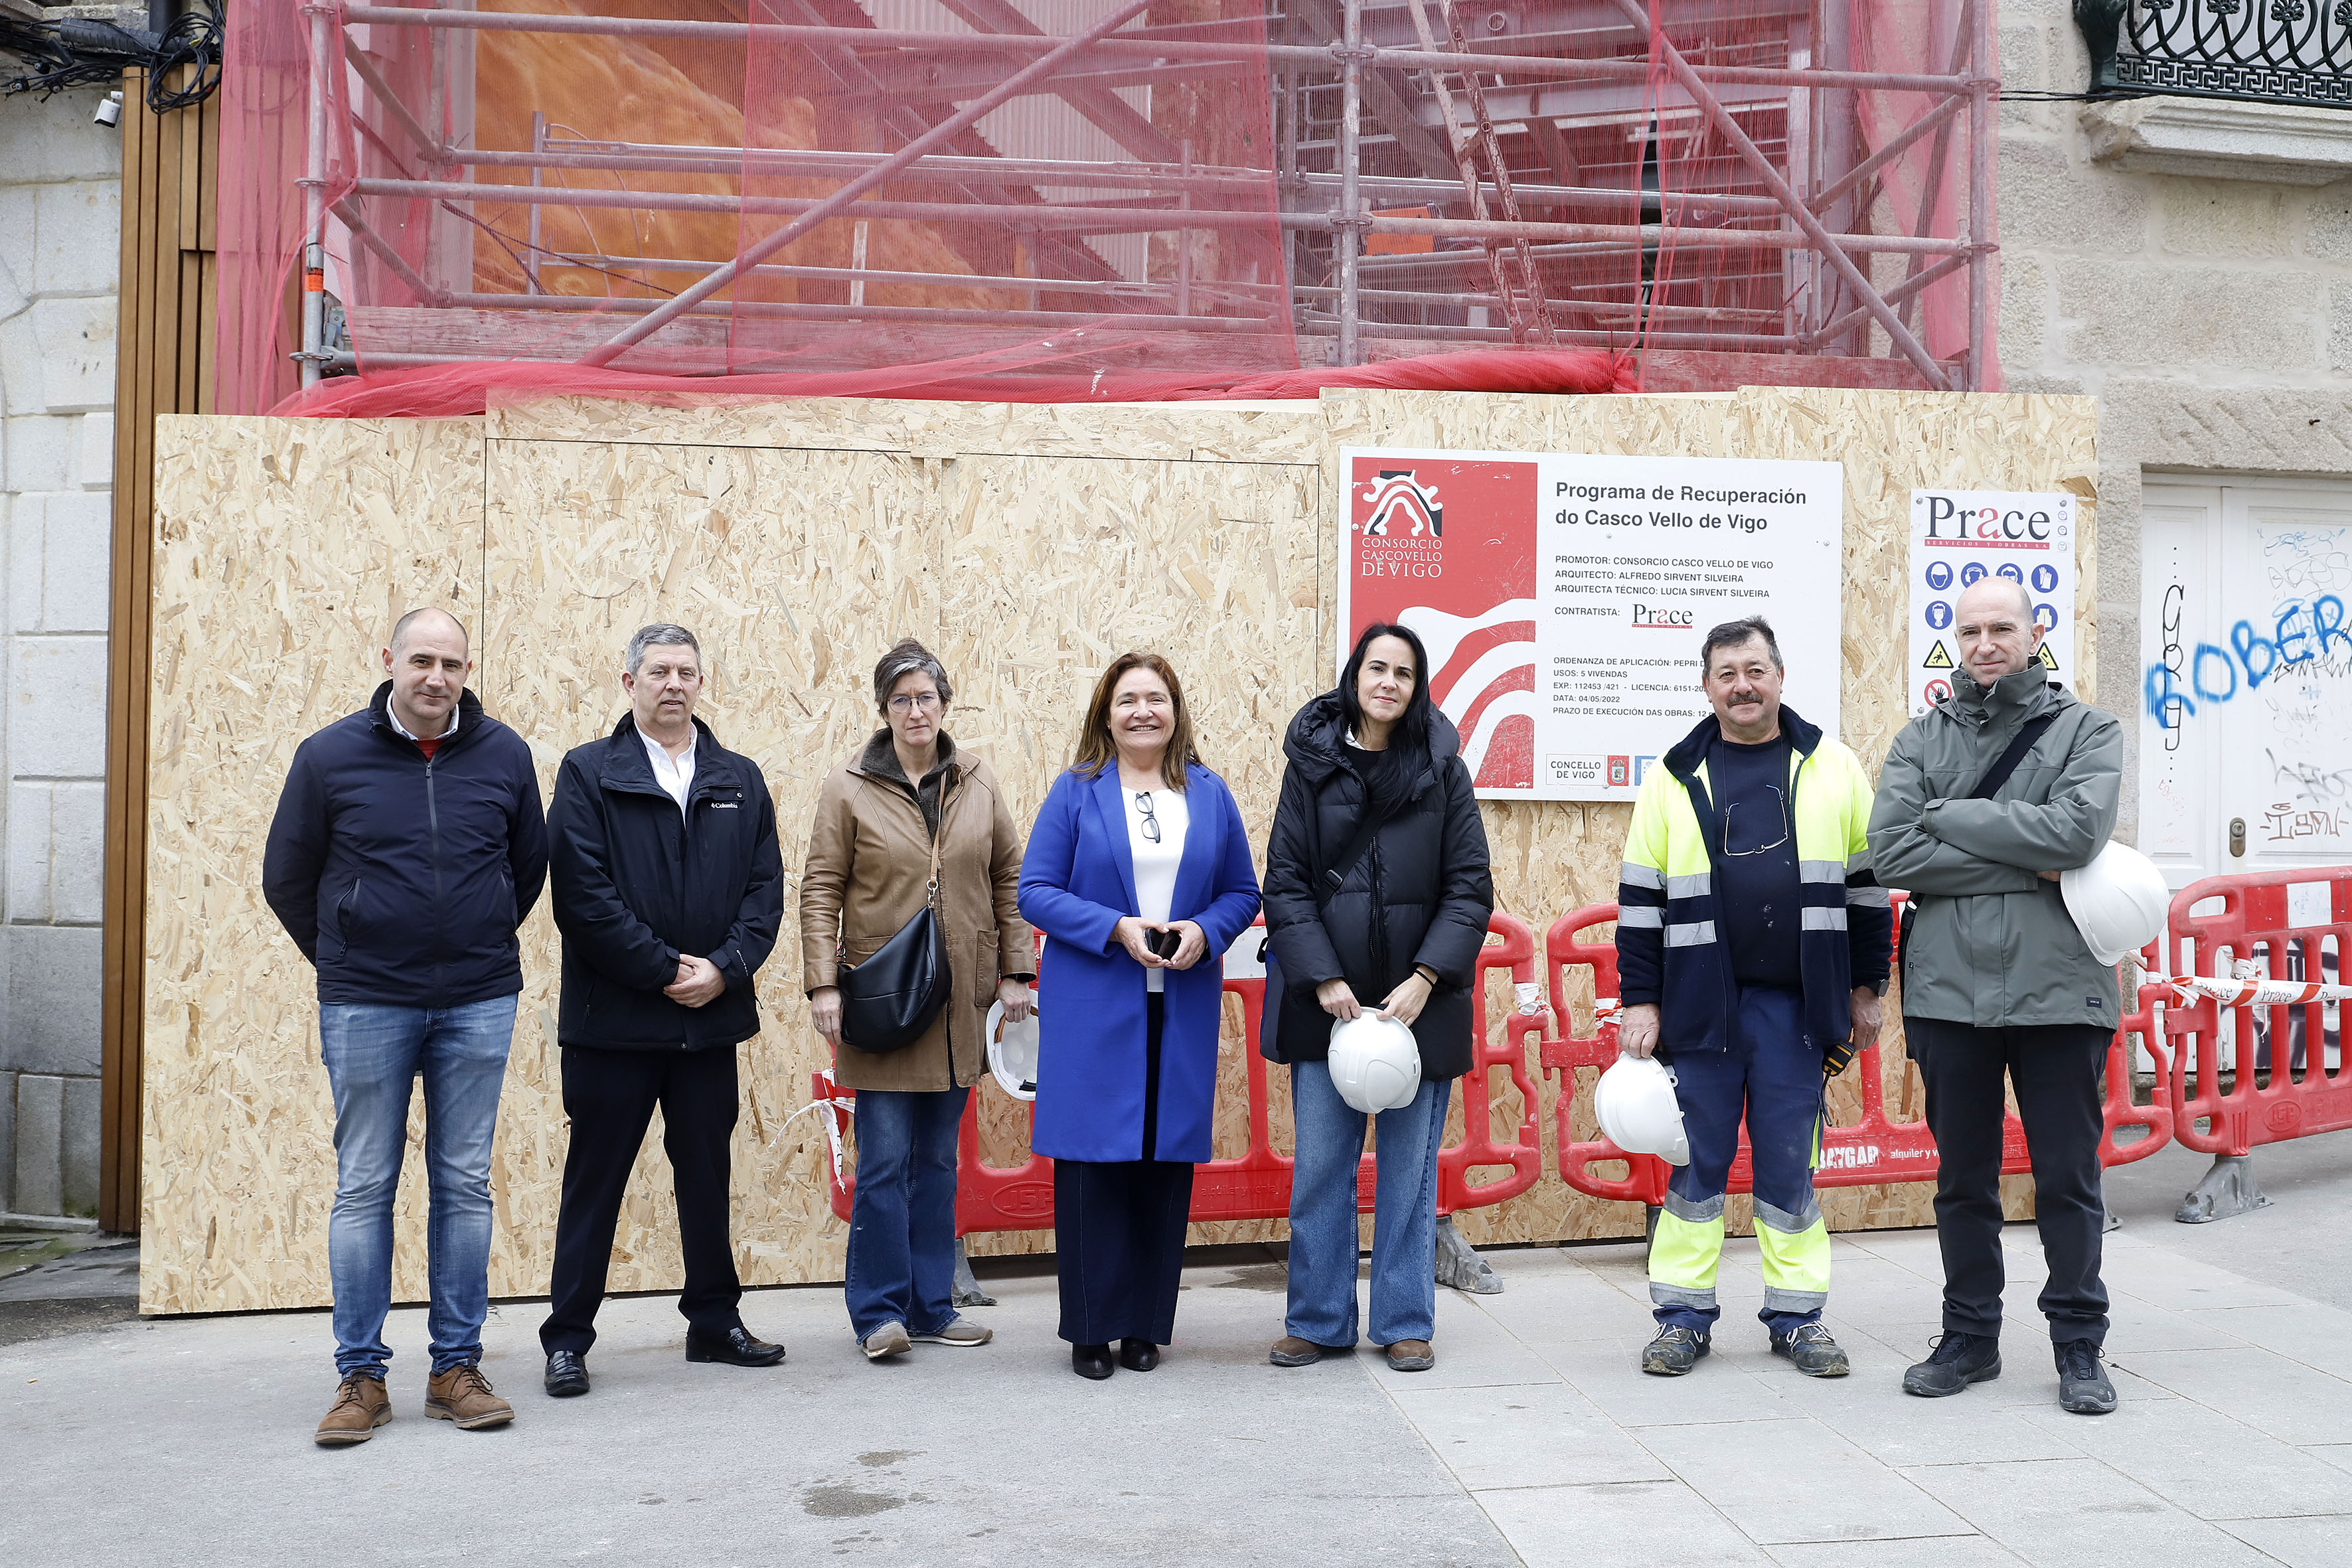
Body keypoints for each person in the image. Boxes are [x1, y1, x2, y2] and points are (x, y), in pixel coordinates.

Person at [263, 607, 547, 1447]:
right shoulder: (329, 756)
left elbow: (527, 867)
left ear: (467, 671)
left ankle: (455, 1368)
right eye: (421, 660)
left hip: (478, 998)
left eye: (451, 664)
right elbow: (287, 876)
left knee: (463, 1184)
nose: (436, 677)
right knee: (364, 1186)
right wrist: (347, 954)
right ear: (390, 659)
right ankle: (361, 1376)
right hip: (366, 1001)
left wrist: (478, 935)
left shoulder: (504, 755)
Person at [1869, 578, 2125, 1416]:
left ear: (2035, 633)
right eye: (1970, 630)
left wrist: (1950, 816)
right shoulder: (1921, 738)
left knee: (2068, 1178)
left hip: (2061, 993)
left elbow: (2077, 835)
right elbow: (1893, 854)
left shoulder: (2089, 730)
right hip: (1949, 994)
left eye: (2002, 628)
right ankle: (1970, 1336)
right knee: (1964, 1180)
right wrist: (2028, 857)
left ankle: (2079, 1344)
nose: (1985, 643)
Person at [1616, 615, 1891, 1380]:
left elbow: (1868, 891)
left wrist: (1868, 988)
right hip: (1700, 1004)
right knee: (1695, 1166)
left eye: (1755, 670)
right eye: (1727, 673)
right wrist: (1641, 1000)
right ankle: (1681, 1319)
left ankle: (1798, 1318)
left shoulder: (1833, 766)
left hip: (1796, 1008)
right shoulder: (1673, 775)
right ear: (1707, 686)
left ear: (1780, 677)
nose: (1743, 686)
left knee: (1787, 1166)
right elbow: (1640, 900)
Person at [537, 624, 786, 1397]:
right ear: (629, 683)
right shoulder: (588, 773)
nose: (673, 684)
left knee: (707, 1178)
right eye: (658, 672)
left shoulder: (739, 778)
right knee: (596, 1182)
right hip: (613, 1026)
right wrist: (663, 969)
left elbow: (764, 890)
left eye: (685, 672)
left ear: (700, 684)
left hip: (708, 1023)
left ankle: (714, 1322)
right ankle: (567, 1338)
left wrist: (725, 969)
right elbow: (581, 895)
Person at [1016, 653, 1261, 1380]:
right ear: (1107, 713)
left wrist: (1206, 931)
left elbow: (1243, 891)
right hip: (1096, 1005)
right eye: (1128, 700)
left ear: (1176, 711)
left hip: (1179, 1005)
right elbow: (1035, 891)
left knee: (1163, 1165)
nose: (1143, 711)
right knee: (1093, 1165)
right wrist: (1114, 927)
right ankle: (1092, 1329)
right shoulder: (1076, 792)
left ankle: (1146, 1325)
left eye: (1156, 698)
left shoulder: (1209, 794)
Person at [1261, 623, 1494, 1374]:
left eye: (1404, 672)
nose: (1388, 682)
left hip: (1419, 1006)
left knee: (1409, 1176)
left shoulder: (1443, 770)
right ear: (1354, 677)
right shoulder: (1310, 766)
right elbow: (1285, 882)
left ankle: (1403, 1319)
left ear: (1417, 687)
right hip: (1324, 1006)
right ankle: (1318, 1319)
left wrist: (1427, 977)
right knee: (1321, 1169)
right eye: (1376, 668)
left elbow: (1470, 888)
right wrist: (1323, 977)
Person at [801, 639, 1037, 1363]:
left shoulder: (976, 780)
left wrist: (1017, 970)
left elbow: (1008, 875)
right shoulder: (848, 787)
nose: (915, 711)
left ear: (944, 704)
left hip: (959, 999)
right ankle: (878, 1313)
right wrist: (823, 983)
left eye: (926, 697)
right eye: (900, 699)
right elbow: (820, 887)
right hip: (884, 999)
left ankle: (932, 1306)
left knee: (937, 1162)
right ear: (884, 709)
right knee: (883, 1163)